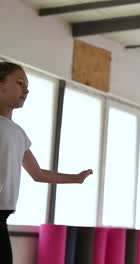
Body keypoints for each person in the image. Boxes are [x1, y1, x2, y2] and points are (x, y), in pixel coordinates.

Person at [0, 62, 93, 264]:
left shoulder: (17, 133)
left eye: (27, 86)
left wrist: (75, 179)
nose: (26, 90)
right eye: (19, 83)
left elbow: (38, 173)